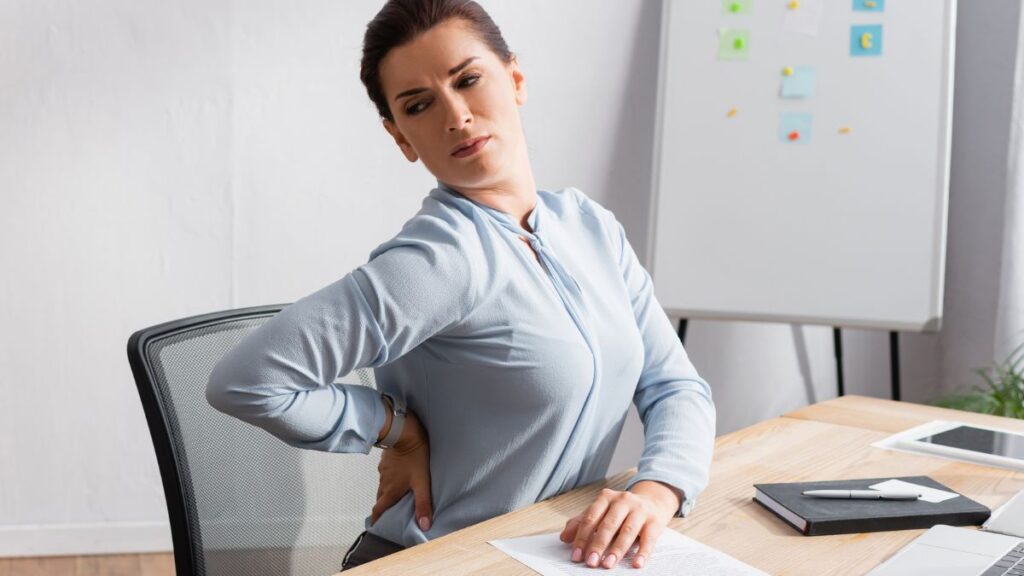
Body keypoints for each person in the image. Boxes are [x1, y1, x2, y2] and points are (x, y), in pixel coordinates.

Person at [206, 0, 716, 571]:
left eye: (468, 80)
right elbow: (247, 380)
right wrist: (395, 428)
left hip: (552, 552)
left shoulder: (589, 227)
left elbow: (674, 386)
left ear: (515, 79)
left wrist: (658, 489)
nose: (456, 116)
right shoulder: (437, 260)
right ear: (401, 137)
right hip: (436, 560)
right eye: (419, 105)